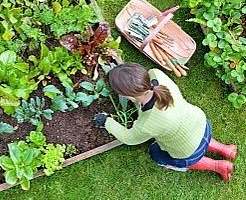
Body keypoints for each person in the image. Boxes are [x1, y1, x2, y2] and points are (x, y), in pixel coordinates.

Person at [94, 63, 237, 181]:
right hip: (200, 123)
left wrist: (106, 121)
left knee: (155, 153)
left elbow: (129, 138)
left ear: (127, 96)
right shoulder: (157, 75)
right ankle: (226, 150)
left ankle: (218, 166)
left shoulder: (147, 123)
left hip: (187, 150)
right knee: (196, 136)